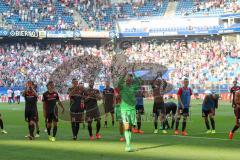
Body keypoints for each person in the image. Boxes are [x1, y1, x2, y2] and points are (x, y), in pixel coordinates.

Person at [118, 64, 141, 152]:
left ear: (131, 80)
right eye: (127, 78)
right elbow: (119, 83)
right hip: (124, 110)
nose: (128, 79)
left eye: (129, 78)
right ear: (125, 80)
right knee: (127, 127)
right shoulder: (122, 87)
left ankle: (128, 144)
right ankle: (127, 145)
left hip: (132, 110)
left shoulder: (134, 87)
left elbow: (138, 82)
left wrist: (134, 73)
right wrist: (124, 73)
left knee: (130, 128)